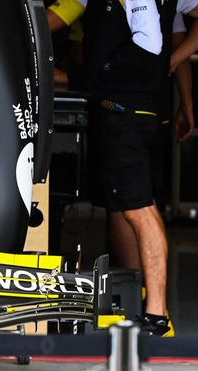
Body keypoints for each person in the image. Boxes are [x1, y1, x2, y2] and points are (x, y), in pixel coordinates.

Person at [47, 0, 198, 336]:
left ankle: (155, 313)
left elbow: (44, 24)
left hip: (124, 113)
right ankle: (149, 306)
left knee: (137, 208)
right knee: (138, 204)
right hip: (141, 110)